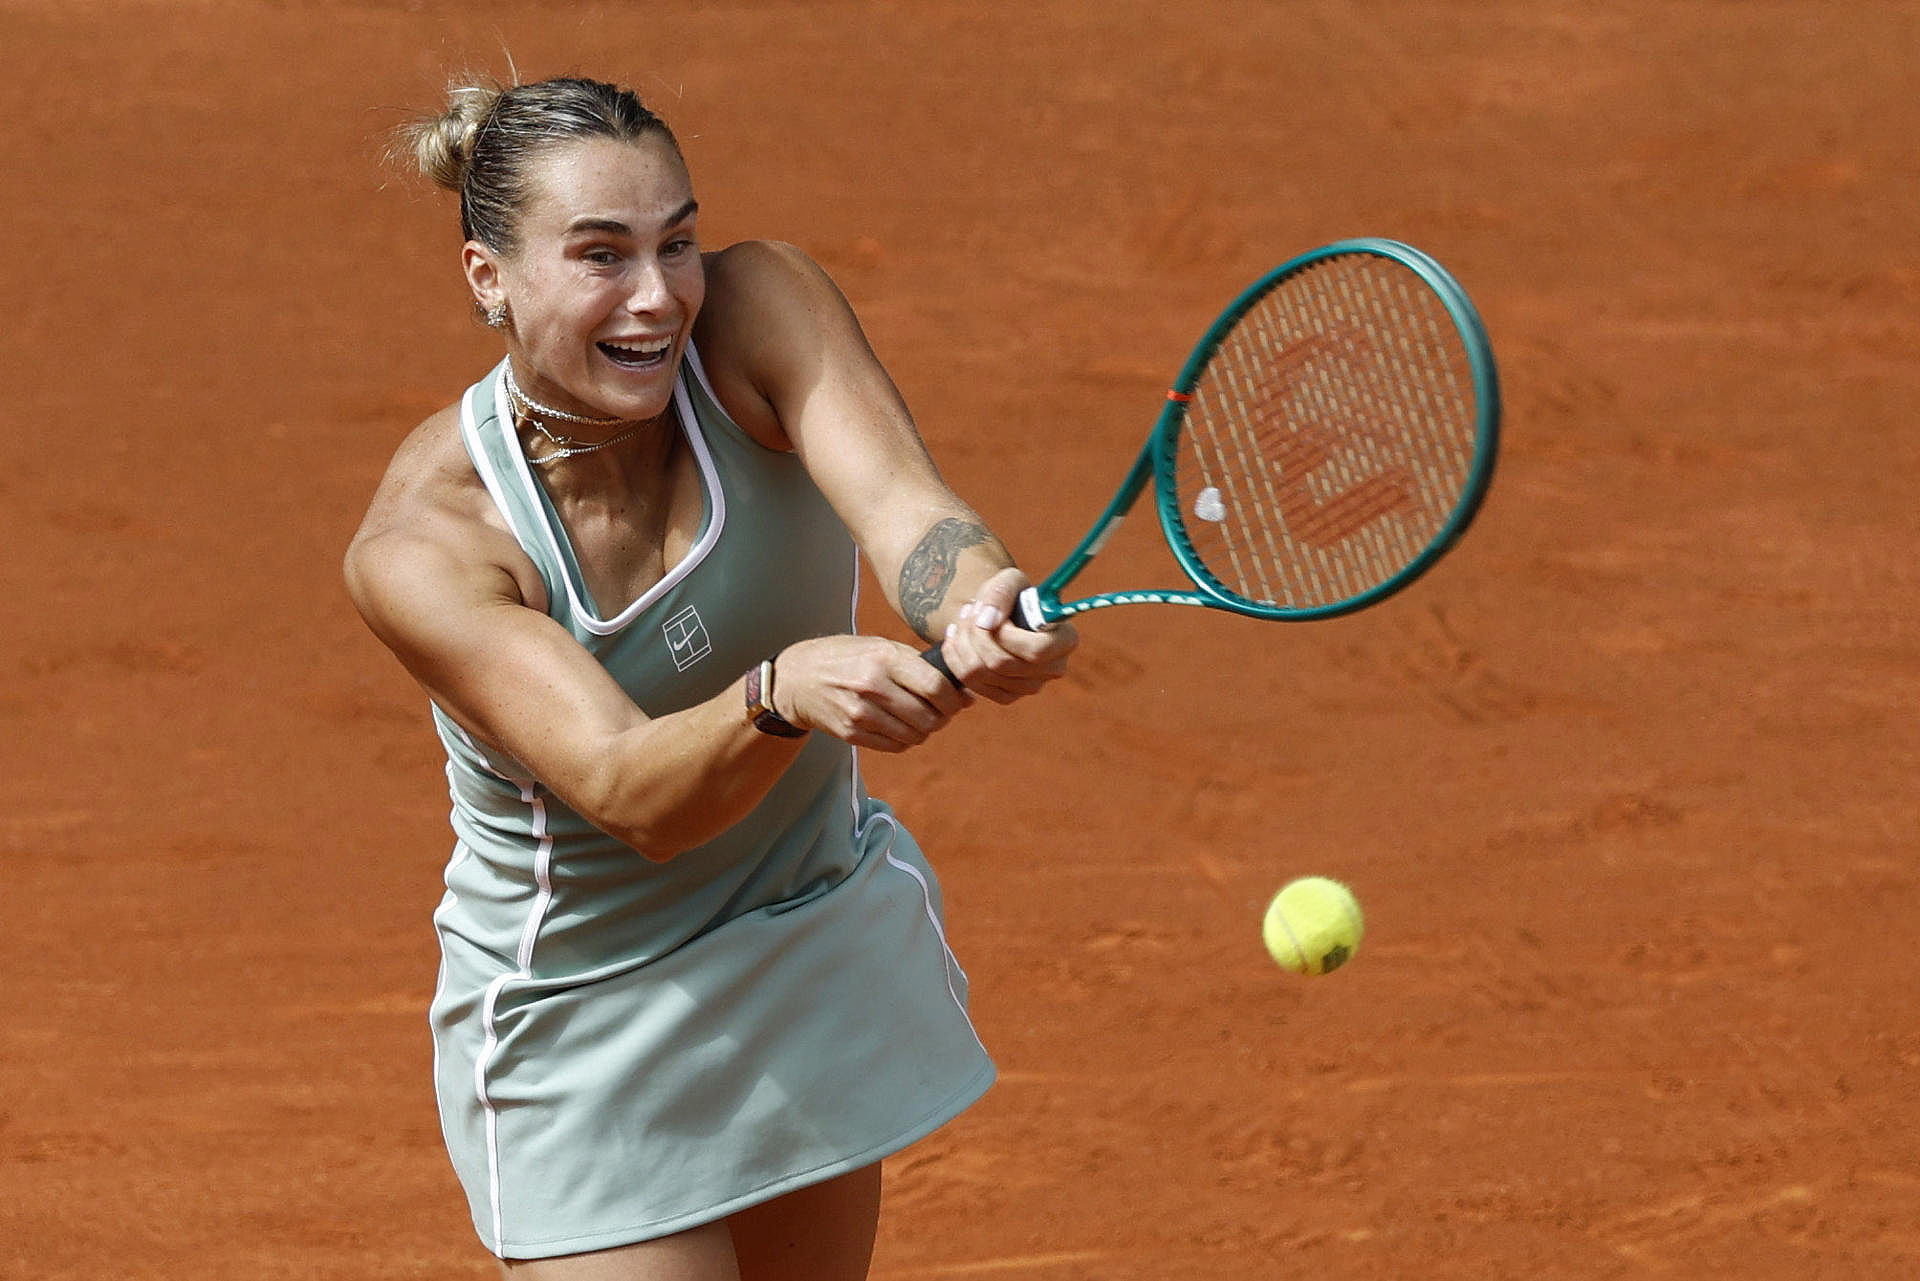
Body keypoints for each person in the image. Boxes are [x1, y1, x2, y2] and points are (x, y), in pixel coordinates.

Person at [342, 75, 1077, 1279]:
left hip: (800, 935)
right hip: (585, 1015)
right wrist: (778, 689)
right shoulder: (429, 547)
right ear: (488, 277)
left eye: (676, 241)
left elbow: (912, 518)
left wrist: (981, 604)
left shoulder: (759, 311)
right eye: (600, 256)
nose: (658, 296)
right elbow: (633, 793)